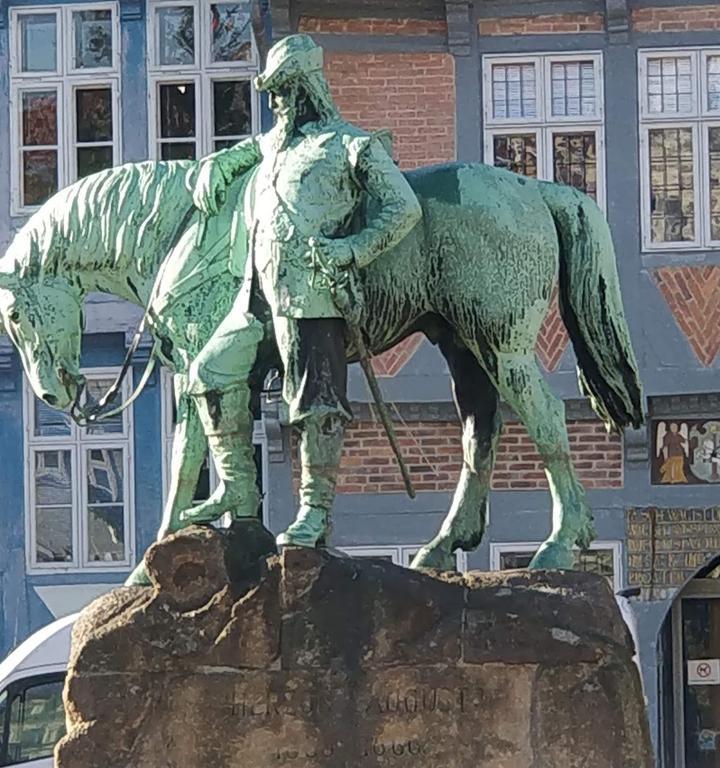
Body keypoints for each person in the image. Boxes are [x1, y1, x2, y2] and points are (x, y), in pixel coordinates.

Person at [185, 34, 422, 547]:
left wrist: (352, 249)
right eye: (272, 93)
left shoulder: (349, 145)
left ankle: (315, 511)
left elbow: (404, 207)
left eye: (283, 91)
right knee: (209, 372)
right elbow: (245, 151)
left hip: (315, 297)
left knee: (316, 403)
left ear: (309, 89)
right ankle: (238, 493)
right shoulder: (274, 143)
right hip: (258, 297)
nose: (275, 103)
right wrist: (216, 165)